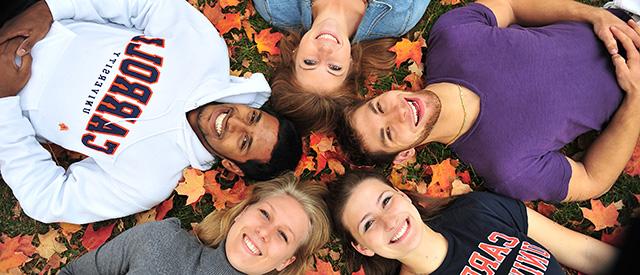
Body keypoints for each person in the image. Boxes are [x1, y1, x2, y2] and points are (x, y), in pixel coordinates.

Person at [0, 0, 302, 224]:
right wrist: (49, 9)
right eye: (253, 117)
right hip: (29, 13)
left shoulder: (149, 179)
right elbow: (142, 3)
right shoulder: (205, 53)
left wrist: (5, 102)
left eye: (244, 142)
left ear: (233, 166)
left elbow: (49, 199)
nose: (234, 121)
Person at [336, 0, 640, 202]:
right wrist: (635, 99)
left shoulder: (451, 37)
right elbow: (592, 180)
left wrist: (595, 15)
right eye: (388, 133)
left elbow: (512, 5)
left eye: (378, 107)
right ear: (404, 155)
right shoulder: (507, 169)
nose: (396, 112)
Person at [326, 171, 619, 275]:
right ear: (363, 248)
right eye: (368, 224)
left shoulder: (477, 210)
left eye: (386, 201)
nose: (388, 221)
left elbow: (586, 254)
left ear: (403, 196)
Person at [58, 173, 331, 275]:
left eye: (283, 235)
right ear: (242, 212)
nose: (264, 232)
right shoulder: (161, 240)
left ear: (285, 262)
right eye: (265, 214)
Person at [252, 0, 429, 133]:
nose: (325, 49)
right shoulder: (400, 14)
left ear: (295, 53)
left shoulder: (274, 5)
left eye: (309, 62)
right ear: (351, 64)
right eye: (334, 67)